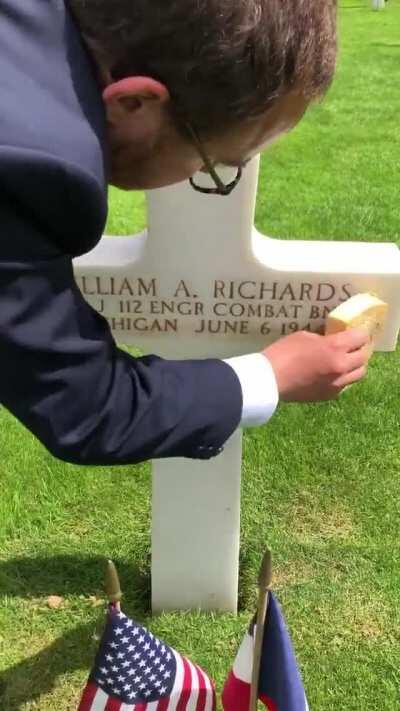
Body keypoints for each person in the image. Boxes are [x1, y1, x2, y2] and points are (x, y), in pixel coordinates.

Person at [0, 0, 369, 465]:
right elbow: (88, 408)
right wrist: (272, 375)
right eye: (215, 165)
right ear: (133, 104)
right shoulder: (24, 174)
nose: (207, 173)